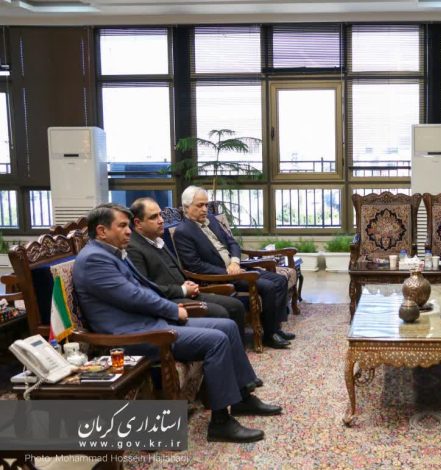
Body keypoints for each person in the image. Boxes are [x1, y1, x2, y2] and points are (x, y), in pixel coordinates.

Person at [73, 203, 282, 443]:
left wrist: (172, 307)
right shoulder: (95, 260)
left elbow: (146, 288)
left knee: (227, 326)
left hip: (150, 323)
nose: (129, 231)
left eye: (128, 225)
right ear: (102, 231)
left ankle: (242, 398)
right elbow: (134, 296)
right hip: (132, 335)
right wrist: (173, 309)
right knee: (216, 340)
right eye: (122, 226)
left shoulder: (111, 251)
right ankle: (220, 423)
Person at [173, 186, 294, 349]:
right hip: (219, 277)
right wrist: (227, 272)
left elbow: (232, 243)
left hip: (235, 268)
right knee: (269, 286)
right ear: (187, 207)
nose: (205, 209)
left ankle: (275, 329)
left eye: (206, 205)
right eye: (200, 205)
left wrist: (235, 262)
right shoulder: (183, 232)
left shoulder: (211, 220)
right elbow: (195, 266)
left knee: (280, 280)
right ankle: (269, 336)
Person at [127, 197, 248, 341]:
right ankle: (225, 348)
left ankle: (237, 348)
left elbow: (174, 271)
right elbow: (146, 289)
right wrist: (183, 289)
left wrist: (187, 283)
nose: (161, 220)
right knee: (221, 312)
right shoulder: (133, 248)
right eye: (154, 217)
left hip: (186, 292)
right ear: (138, 223)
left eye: (160, 215)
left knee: (235, 305)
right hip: (169, 300)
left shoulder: (156, 238)